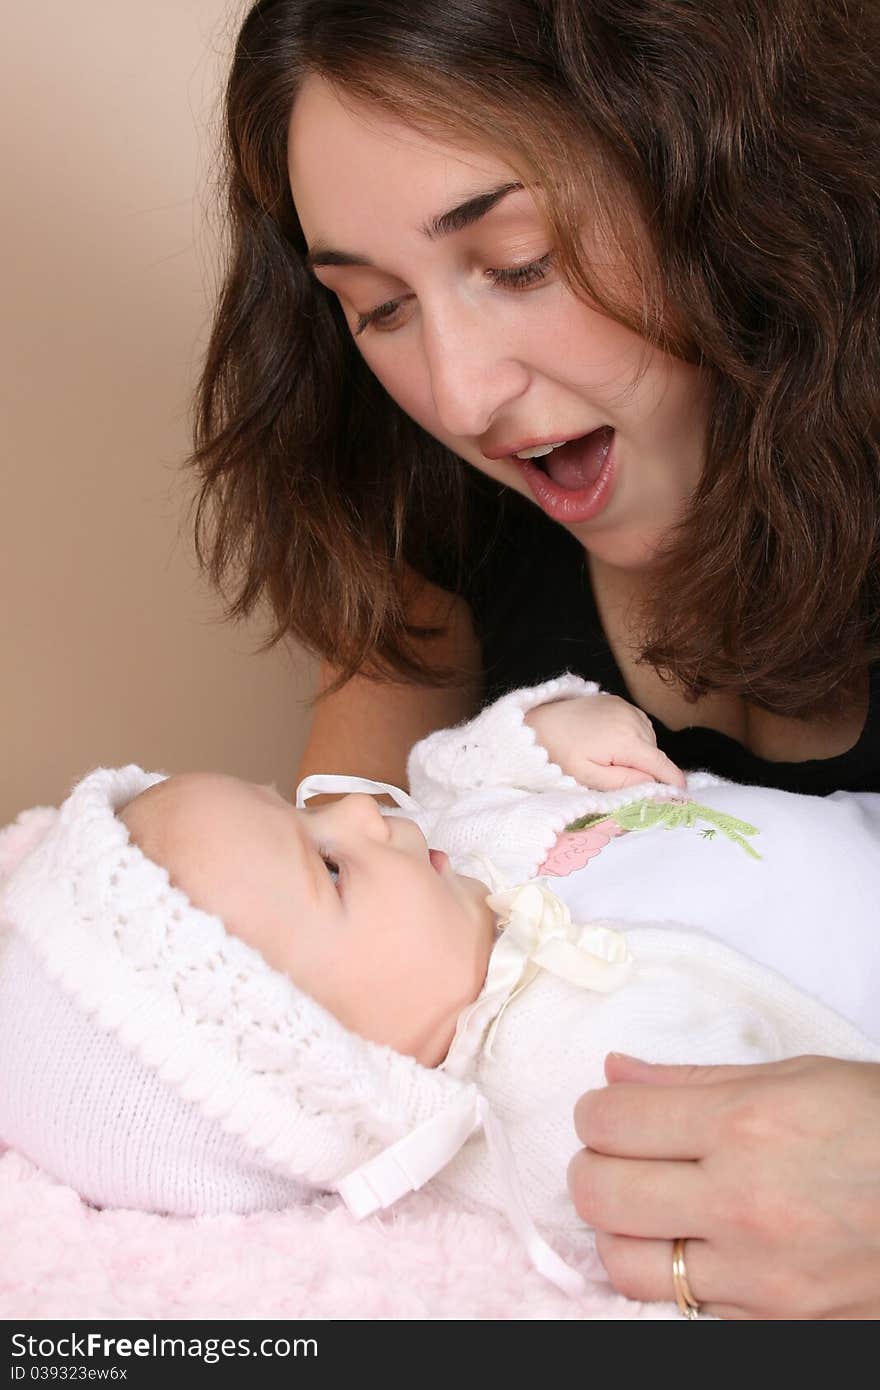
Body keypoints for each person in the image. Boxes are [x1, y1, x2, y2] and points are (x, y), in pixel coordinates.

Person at [187, 1, 880, 1316]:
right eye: (378, 308)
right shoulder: (431, 515)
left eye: (516, 262)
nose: (460, 396)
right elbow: (336, 985)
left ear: (737, 175)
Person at [0, 678, 877, 1316]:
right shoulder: (555, 1100)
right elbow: (749, 1191)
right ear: (342, 1068)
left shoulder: (450, 850)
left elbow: (453, 766)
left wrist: (543, 733)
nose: (356, 812)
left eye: (299, 808)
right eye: (329, 866)